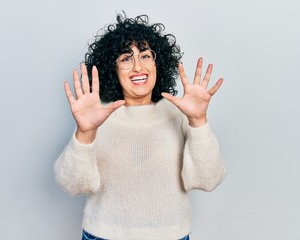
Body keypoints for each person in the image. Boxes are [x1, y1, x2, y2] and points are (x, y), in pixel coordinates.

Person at [55, 13, 226, 240]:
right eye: (126, 59)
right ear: (113, 69)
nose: (138, 67)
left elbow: (208, 180)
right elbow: (74, 185)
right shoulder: (98, 115)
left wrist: (198, 120)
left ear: (158, 63)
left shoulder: (179, 113)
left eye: (145, 56)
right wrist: (85, 132)